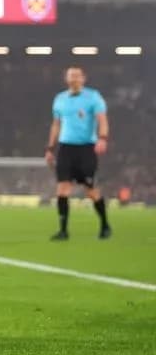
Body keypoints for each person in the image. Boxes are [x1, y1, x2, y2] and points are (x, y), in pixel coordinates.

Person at [46, 66, 111, 240]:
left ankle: (105, 225)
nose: (74, 79)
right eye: (70, 76)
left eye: (77, 76)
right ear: (66, 79)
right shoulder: (60, 99)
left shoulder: (93, 97)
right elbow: (56, 125)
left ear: (83, 78)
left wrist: (103, 138)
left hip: (86, 148)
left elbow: (102, 119)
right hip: (66, 148)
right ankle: (63, 230)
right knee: (62, 189)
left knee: (90, 190)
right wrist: (50, 148)